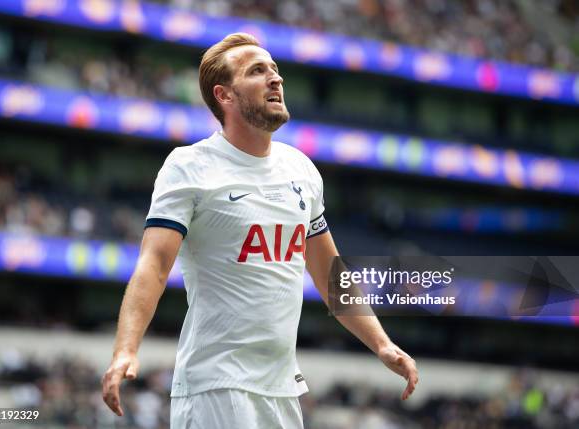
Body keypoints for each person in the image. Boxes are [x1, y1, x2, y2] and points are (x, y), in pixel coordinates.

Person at [101, 32, 418, 428]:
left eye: (275, 69)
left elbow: (329, 273)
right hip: (216, 387)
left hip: (283, 391)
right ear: (225, 96)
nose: (275, 79)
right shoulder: (189, 167)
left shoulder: (301, 170)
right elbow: (155, 265)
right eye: (257, 71)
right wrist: (125, 350)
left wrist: (382, 344)